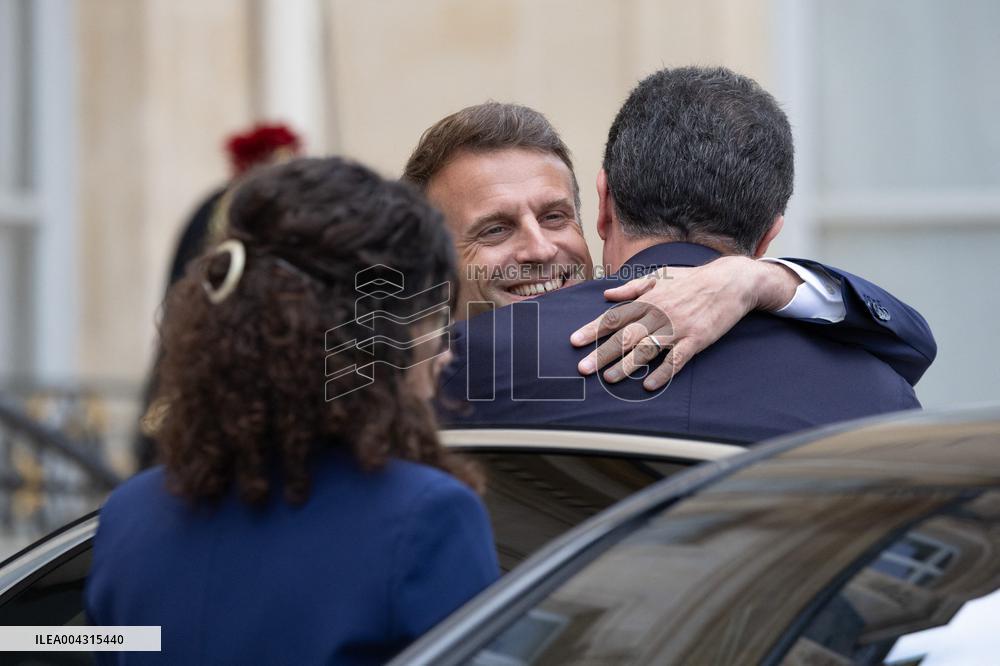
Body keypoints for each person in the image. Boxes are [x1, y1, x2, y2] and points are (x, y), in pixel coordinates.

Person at [86, 157, 499, 664]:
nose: (447, 350)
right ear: (375, 338)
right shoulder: (428, 518)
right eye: (435, 316)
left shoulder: (129, 515)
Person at [423, 67, 922, 441]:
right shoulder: (878, 397)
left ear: (603, 207)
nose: (539, 248)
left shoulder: (460, 371)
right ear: (770, 236)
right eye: (493, 229)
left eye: (555, 217)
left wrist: (760, 280)